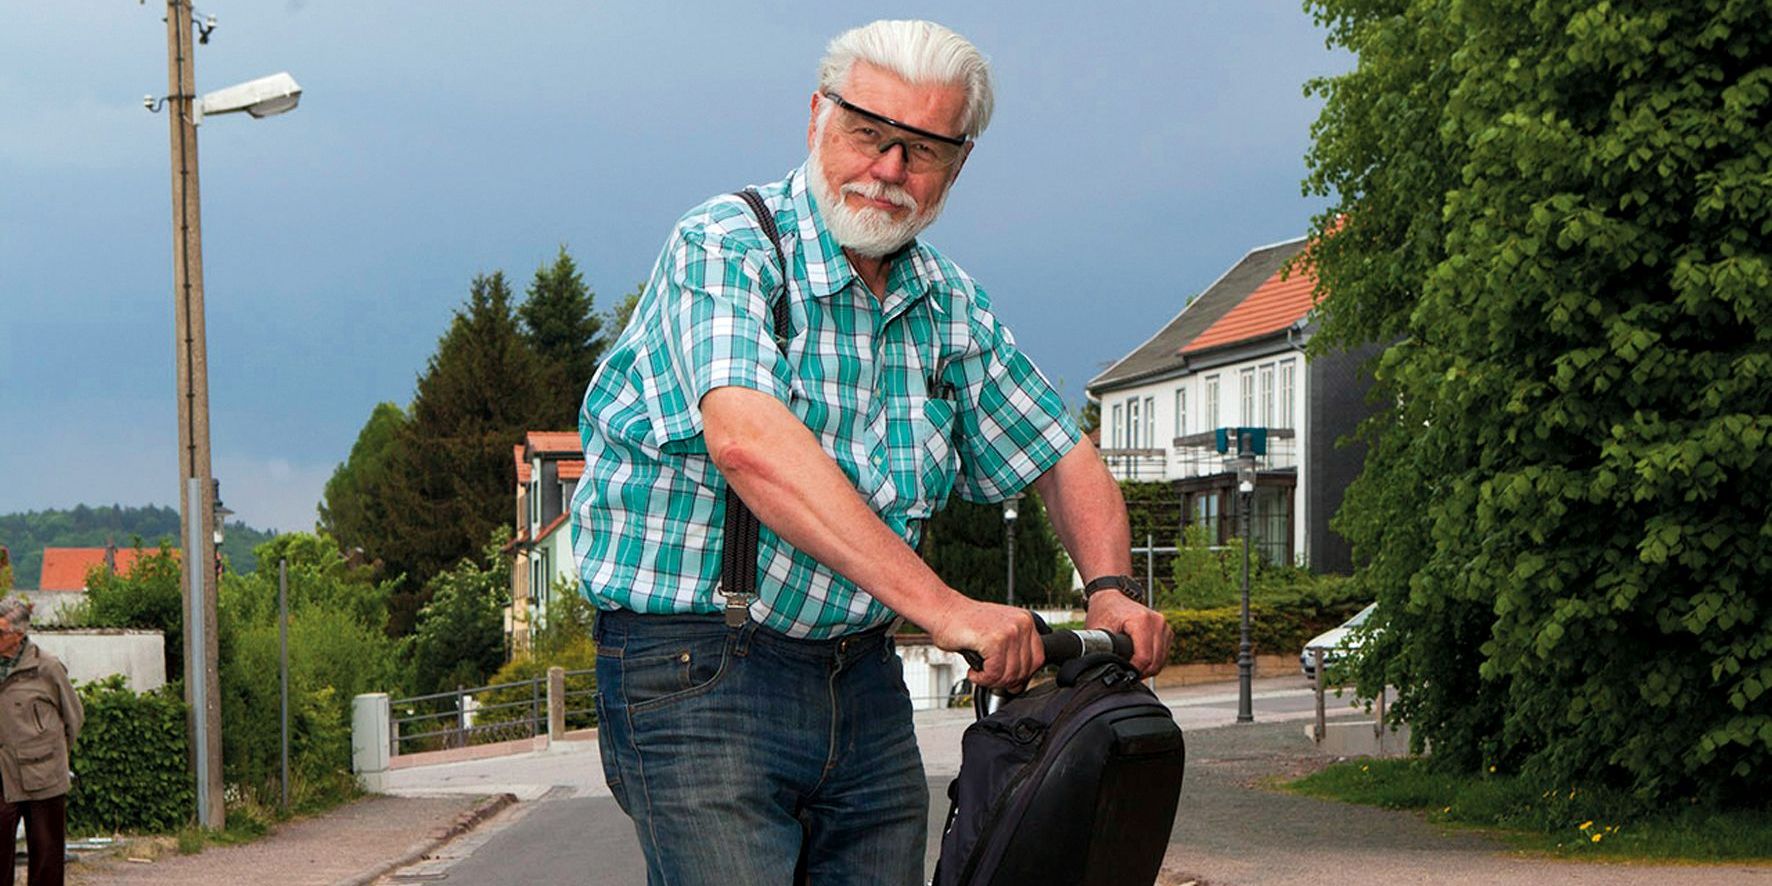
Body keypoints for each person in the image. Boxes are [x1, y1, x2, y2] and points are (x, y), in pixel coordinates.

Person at [572, 19, 1173, 885]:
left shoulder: (947, 302)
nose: (889, 169)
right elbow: (748, 440)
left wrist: (1110, 589)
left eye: (921, 149)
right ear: (818, 116)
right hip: (698, 667)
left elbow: (1060, 451)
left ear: (957, 165)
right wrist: (947, 609)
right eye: (869, 133)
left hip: (861, 681)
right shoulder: (728, 246)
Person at [0, 597, 82, 886]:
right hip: (1, 774)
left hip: (42, 775)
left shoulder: (47, 667)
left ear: (18, 635)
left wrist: (50, 756)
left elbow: (73, 718)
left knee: (46, 859)